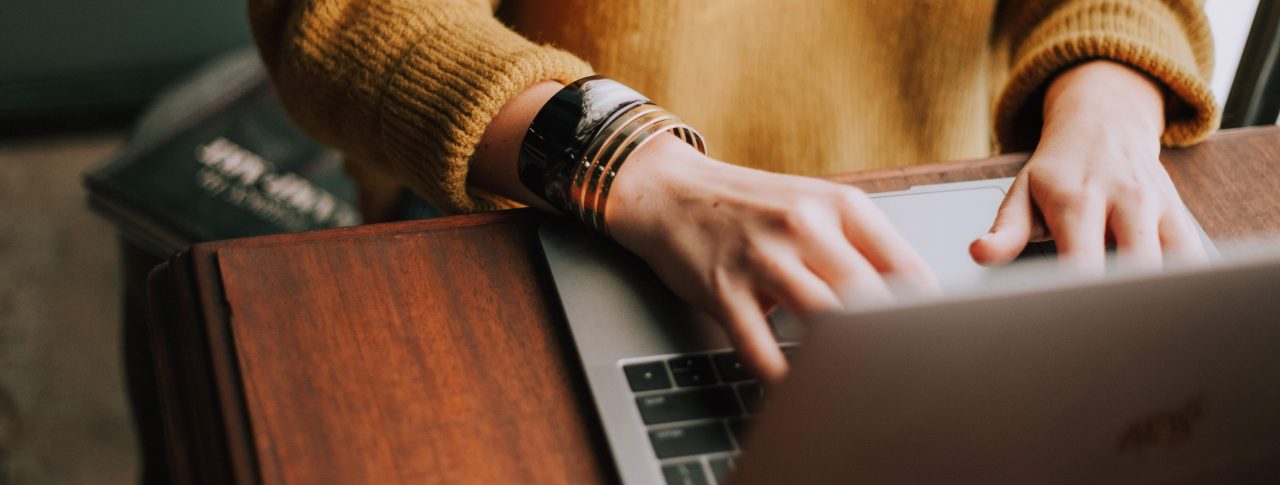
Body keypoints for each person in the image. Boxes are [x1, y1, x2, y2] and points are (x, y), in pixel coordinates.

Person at [248, 0, 1218, 381]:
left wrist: (1107, 95)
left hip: (925, 242)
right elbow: (337, 18)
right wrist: (636, 165)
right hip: (532, 218)